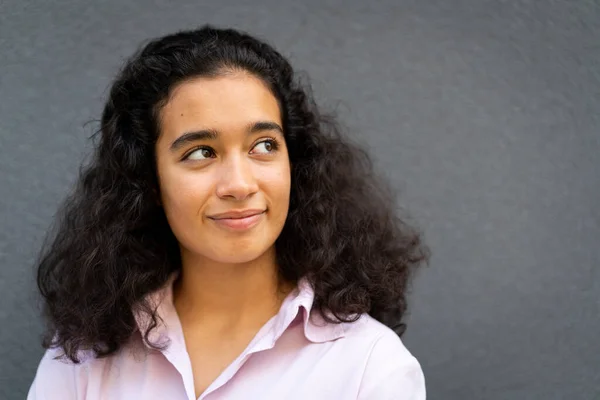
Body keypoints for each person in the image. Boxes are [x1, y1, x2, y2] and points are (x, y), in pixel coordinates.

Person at [28, 24, 430, 400]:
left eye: (264, 146)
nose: (239, 184)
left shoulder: (370, 366)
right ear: (149, 181)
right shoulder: (84, 358)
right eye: (201, 152)